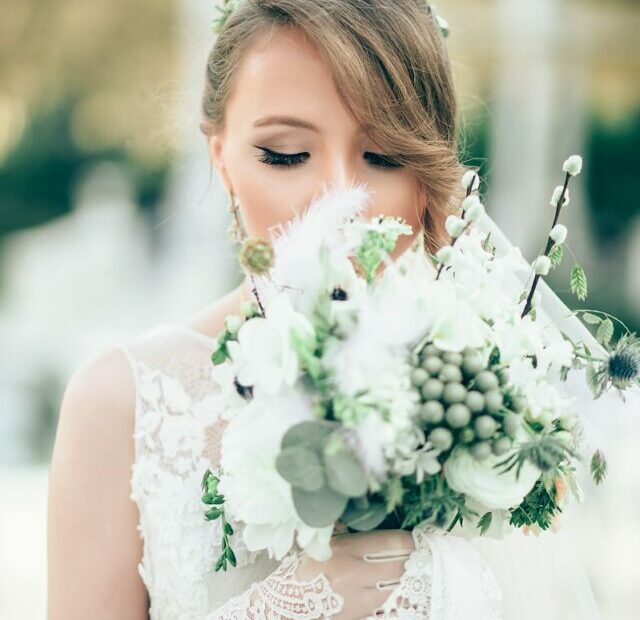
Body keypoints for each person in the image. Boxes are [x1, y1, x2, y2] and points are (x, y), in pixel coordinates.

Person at [46, 2, 599, 619]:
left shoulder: (487, 387)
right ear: (221, 156)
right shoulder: (121, 402)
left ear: (430, 176)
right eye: (284, 154)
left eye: (384, 156)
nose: (340, 197)